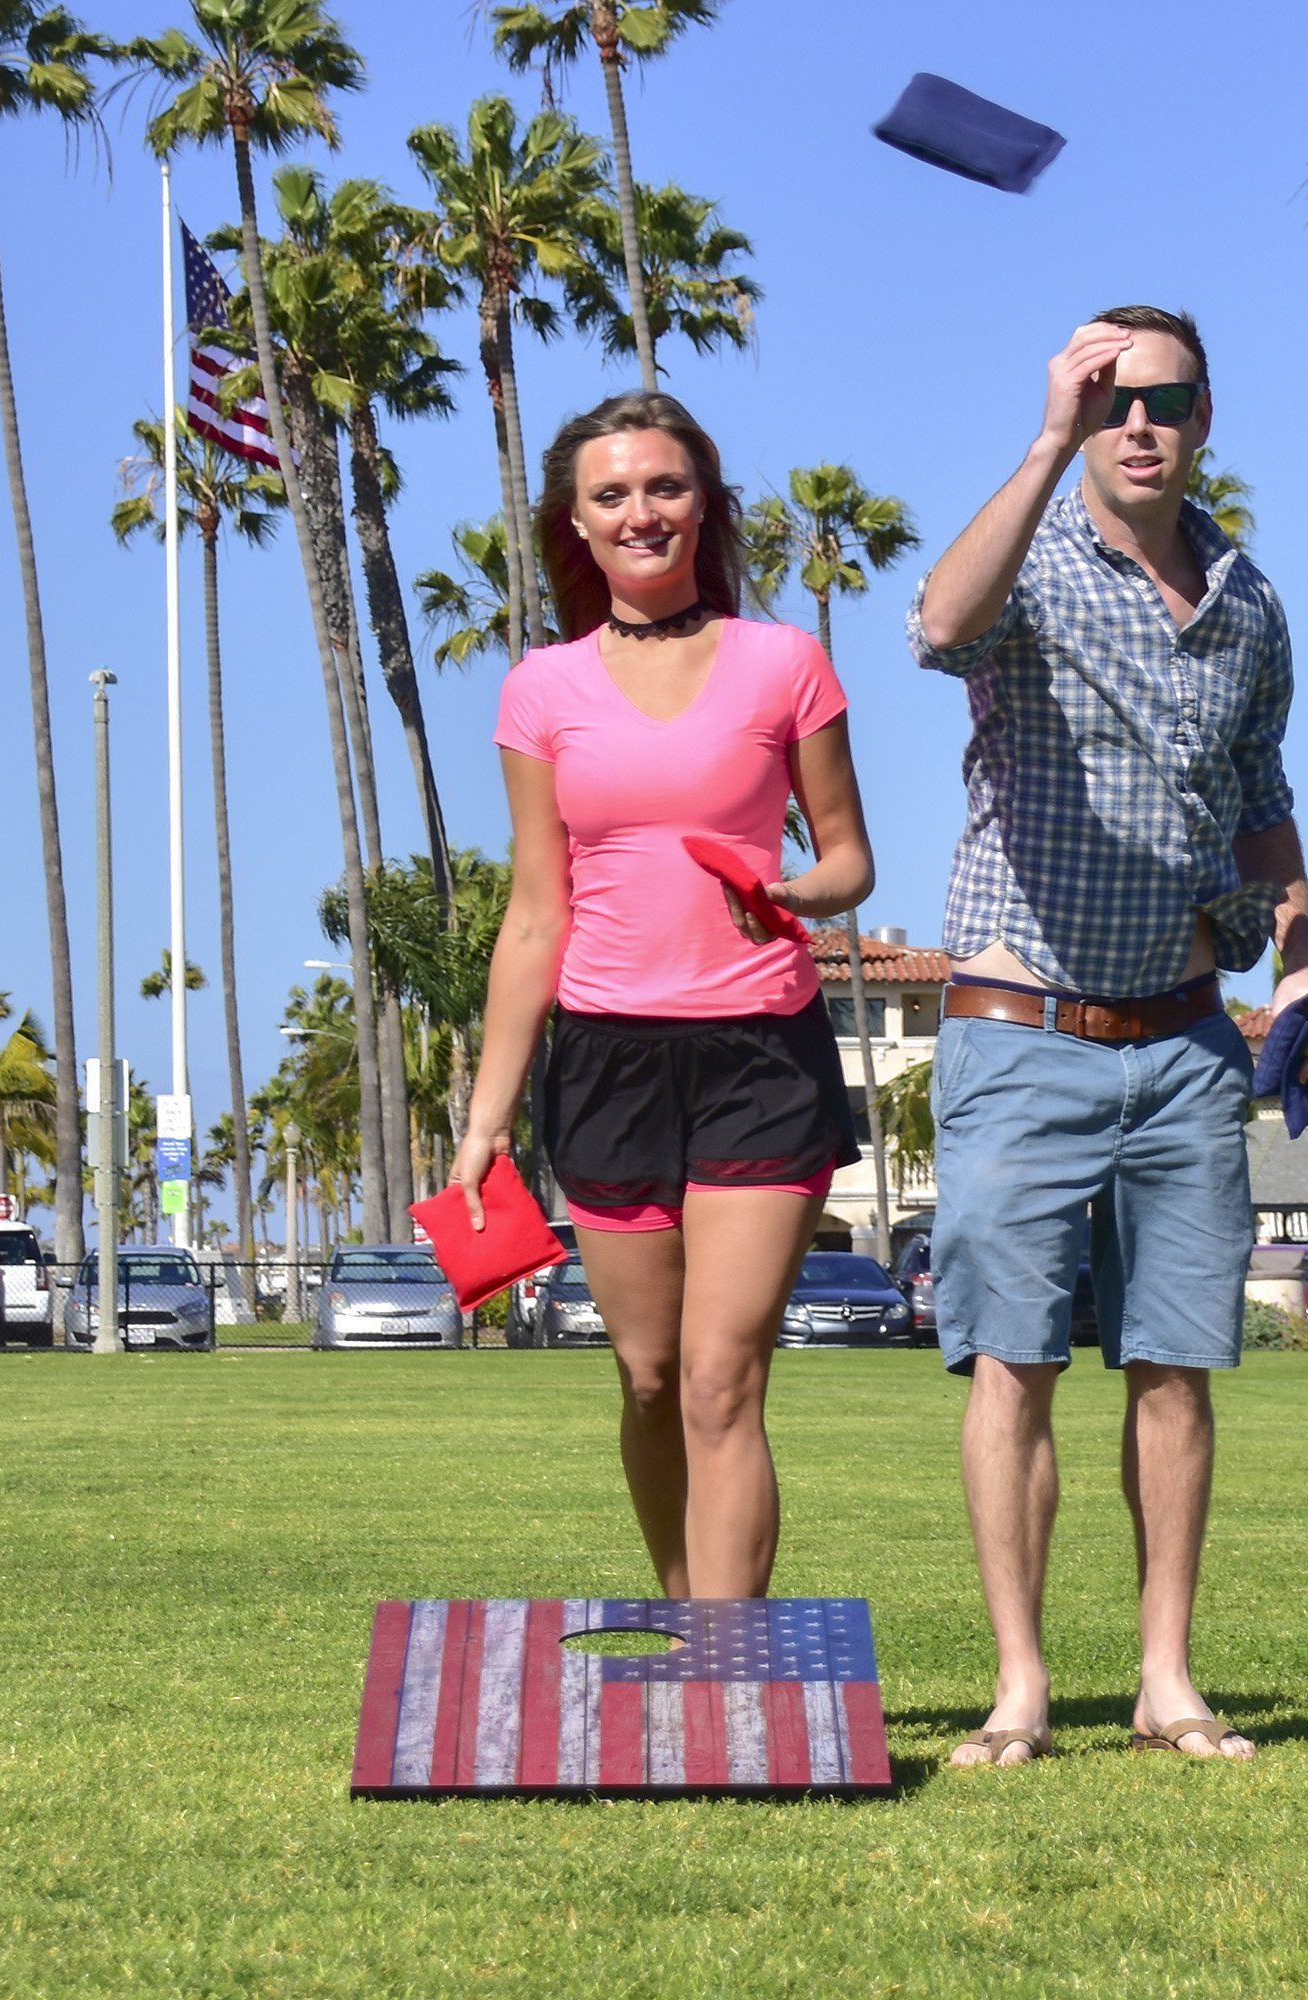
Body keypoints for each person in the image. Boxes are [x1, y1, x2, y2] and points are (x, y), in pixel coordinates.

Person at [909, 306, 1308, 1765]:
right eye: (1111, 402)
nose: (1137, 423)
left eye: (1162, 400)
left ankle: (1166, 1677)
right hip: (1020, 1019)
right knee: (1012, 1362)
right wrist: (1044, 433)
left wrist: (1301, 957)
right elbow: (938, 624)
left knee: (1175, 1362)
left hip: (1183, 1034)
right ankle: (1022, 1684)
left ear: (1206, 415)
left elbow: (1262, 796)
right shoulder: (1026, 559)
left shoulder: (1250, 601)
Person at [454, 391, 876, 1599]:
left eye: (664, 486)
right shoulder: (540, 688)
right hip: (604, 1058)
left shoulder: (783, 661)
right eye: (611, 494)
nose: (641, 511)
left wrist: (790, 887)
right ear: (574, 525)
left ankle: (728, 1669)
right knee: (644, 1375)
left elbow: (850, 856)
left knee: (719, 1376)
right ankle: (687, 1609)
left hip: (759, 1051)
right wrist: (487, 1117)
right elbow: (536, 909)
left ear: (704, 505)